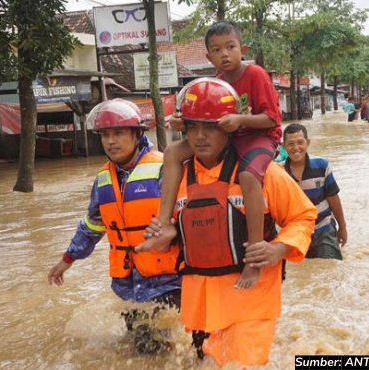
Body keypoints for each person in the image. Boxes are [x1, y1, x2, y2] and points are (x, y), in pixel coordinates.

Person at [140, 80, 316, 366]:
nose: (199, 137)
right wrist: (164, 237)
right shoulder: (177, 179)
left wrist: (279, 250)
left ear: (229, 128)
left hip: (251, 299)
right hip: (201, 305)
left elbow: (303, 216)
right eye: (193, 128)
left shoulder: (263, 174)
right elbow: (181, 238)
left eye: (209, 128)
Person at [138, 21, 282, 291]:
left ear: (243, 49)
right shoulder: (214, 83)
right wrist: (185, 123)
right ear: (208, 57)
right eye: (217, 50)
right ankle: (166, 225)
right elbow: (203, 119)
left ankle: (254, 254)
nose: (224, 54)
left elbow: (272, 119)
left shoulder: (256, 74)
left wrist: (240, 119)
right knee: (171, 152)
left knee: (249, 175)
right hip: (225, 136)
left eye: (230, 47)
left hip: (258, 136)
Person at [47, 99, 182, 354]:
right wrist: (68, 258)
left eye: (118, 133)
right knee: (135, 342)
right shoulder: (103, 179)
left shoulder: (164, 168)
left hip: (166, 279)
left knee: (149, 349)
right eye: (105, 135)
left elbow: (187, 215)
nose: (111, 141)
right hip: (127, 281)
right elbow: (92, 225)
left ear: (137, 134)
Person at [282, 123, 347, 259]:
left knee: (328, 267)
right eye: (291, 144)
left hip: (324, 228)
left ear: (308, 143)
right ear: (284, 146)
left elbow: (333, 198)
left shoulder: (322, 165)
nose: (296, 148)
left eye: (300, 142)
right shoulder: (279, 173)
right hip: (296, 234)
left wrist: (342, 227)